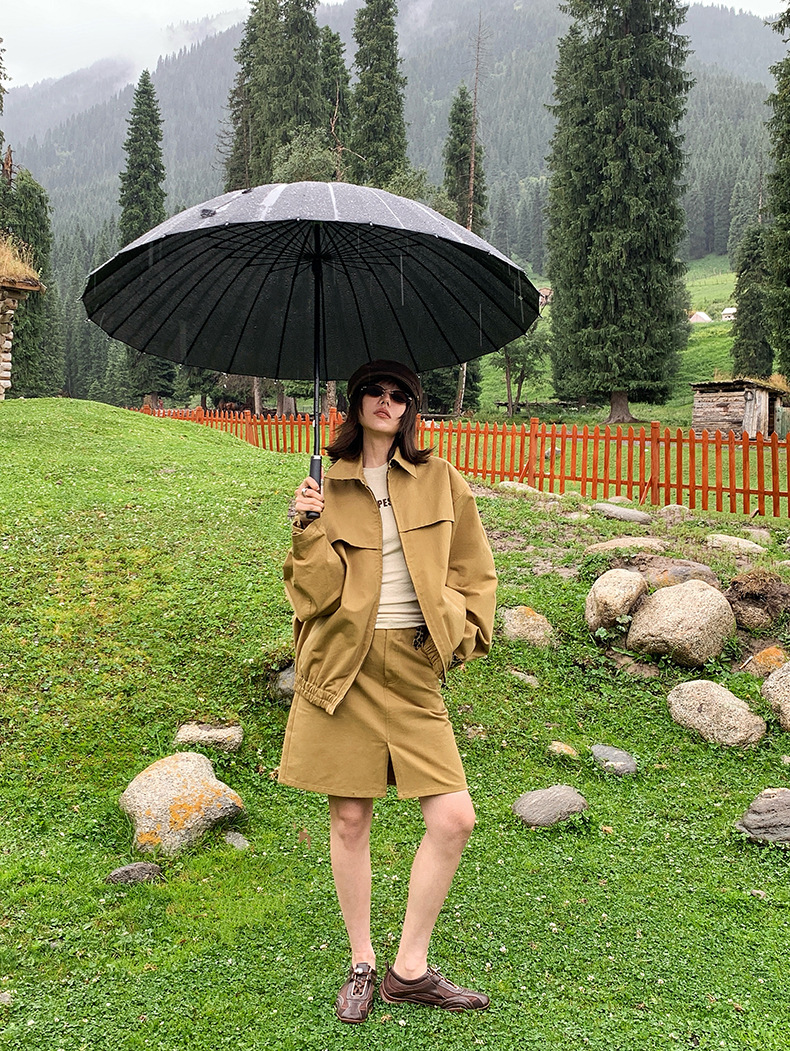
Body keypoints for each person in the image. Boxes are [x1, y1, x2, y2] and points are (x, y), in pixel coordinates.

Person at [279, 359, 497, 1023]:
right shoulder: (325, 484)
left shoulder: (442, 480)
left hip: (412, 663)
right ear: (355, 402)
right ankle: (363, 962)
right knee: (350, 819)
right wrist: (306, 528)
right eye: (375, 390)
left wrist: (456, 634)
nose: (386, 400)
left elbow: (475, 571)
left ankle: (410, 969)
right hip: (342, 665)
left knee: (454, 817)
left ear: (411, 409)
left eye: (399, 394)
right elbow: (313, 597)